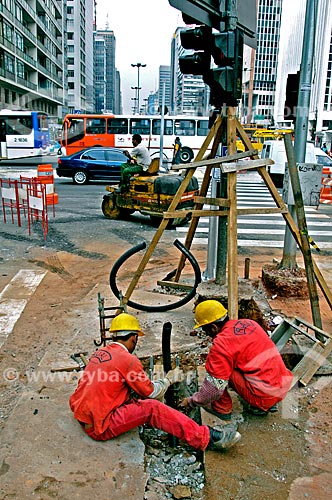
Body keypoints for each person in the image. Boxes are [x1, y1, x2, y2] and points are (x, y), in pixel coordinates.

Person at [69, 312, 241, 452]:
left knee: (130, 394)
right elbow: (151, 393)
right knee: (152, 408)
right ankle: (206, 437)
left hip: (83, 414)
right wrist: (168, 380)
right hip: (99, 426)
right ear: (134, 338)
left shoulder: (101, 353)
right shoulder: (128, 360)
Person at [180, 300, 293, 419]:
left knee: (217, 370)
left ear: (213, 327)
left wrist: (192, 401)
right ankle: (269, 402)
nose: (206, 334)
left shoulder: (222, 345)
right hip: (282, 383)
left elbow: (214, 390)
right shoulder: (248, 323)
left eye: (205, 330)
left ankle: (222, 409)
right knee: (233, 362)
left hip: (265, 396)